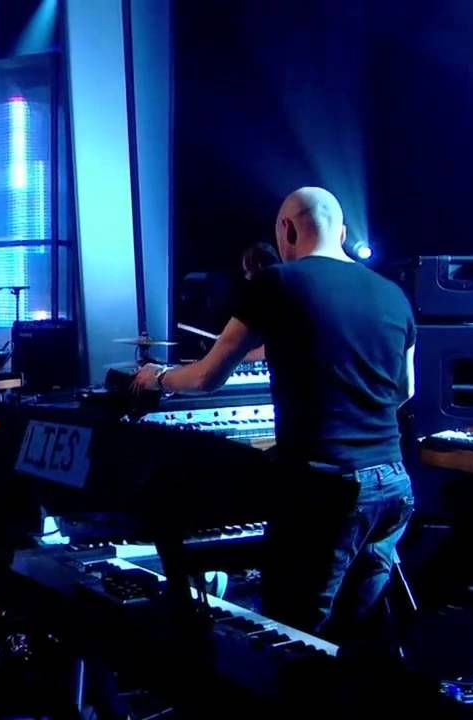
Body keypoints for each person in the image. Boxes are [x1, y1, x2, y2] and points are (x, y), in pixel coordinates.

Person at [133, 187, 416, 643]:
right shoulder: (393, 294)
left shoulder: (277, 283)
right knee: (355, 640)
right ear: (343, 233)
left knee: (294, 637)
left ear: (286, 229)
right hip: (392, 487)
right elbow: (405, 390)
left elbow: (206, 377)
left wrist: (158, 377)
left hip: (326, 488)